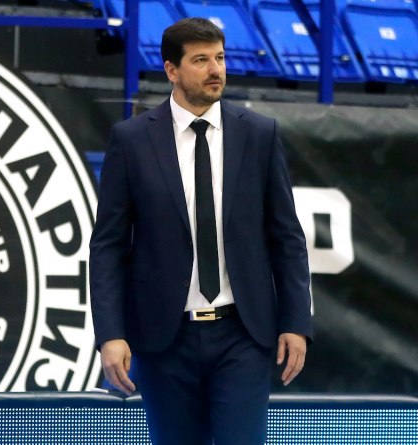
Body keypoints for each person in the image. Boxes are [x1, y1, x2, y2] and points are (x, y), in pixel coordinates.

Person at [89, 17, 313, 445]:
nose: (216, 70)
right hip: (164, 339)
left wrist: (296, 320)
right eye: (201, 60)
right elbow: (108, 247)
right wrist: (111, 334)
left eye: (220, 58)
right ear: (171, 70)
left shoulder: (259, 133)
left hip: (242, 334)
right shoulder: (132, 140)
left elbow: (287, 237)